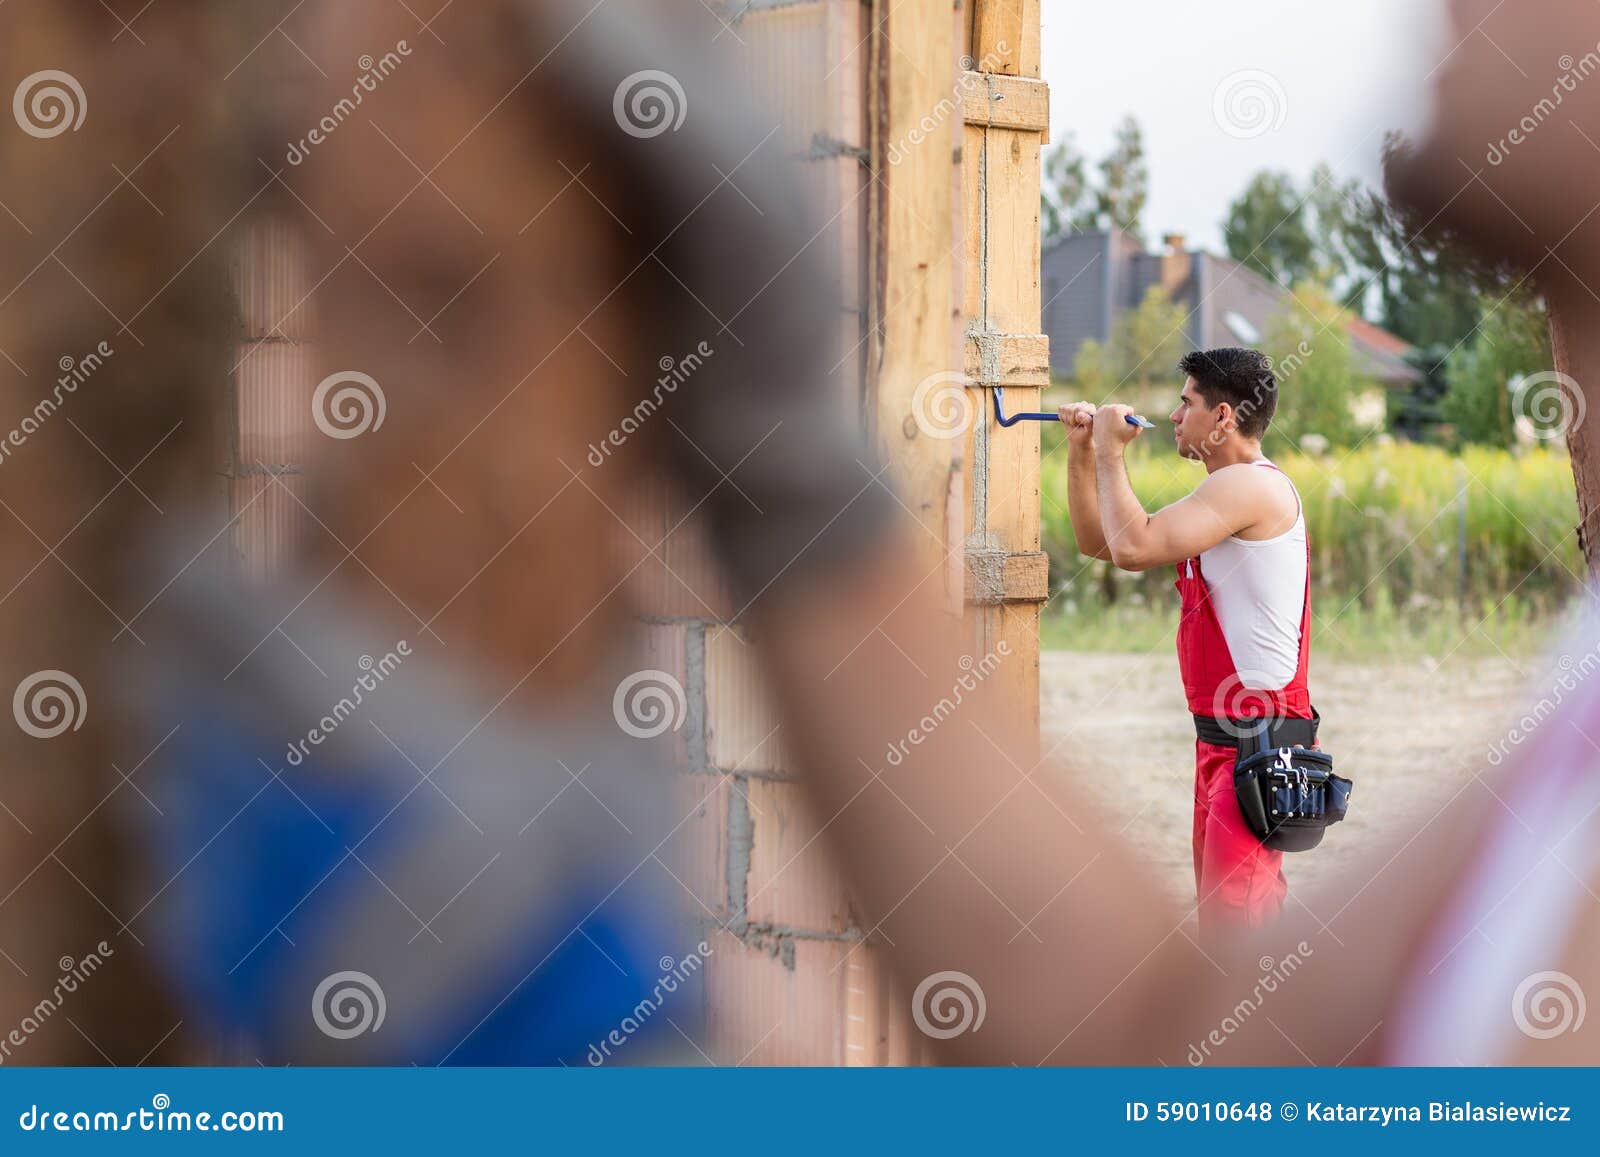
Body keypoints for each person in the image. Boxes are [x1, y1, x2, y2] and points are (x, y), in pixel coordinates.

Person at [1056, 349, 1314, 944]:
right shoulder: (1224, 492)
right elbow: (1103, 546)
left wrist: (1111, 451)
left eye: (1186, 402)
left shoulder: (1250, 487)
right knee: (1225, 929)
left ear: (1222, 417)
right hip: (1221, 745)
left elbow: (1133, 547)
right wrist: (1081, 453)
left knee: (1238, 940)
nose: (1173, 416)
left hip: (1259, 750)